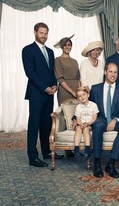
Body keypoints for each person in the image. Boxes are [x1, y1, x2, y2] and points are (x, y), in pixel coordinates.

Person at [22, 22, 61, 167]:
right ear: (35, 32)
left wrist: (54, 85)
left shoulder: (50, 52)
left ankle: (47, 152)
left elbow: (52, 72)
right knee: (34, 125)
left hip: (49, 93)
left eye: (46, 33)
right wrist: (44, 88)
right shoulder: (27, 50)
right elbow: (30, 72)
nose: (44, 36)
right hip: (36, 94)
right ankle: (33, 157)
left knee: (47, 124)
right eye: (41, 33)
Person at [89, 62, 119, 178]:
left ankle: (111, 163)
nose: (113, 74)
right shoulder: (95, 89)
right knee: (97, 125)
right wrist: (74, 119)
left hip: (116, 119)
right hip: (101, 118)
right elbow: (88, 106)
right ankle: (97, 163)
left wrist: (115, 120)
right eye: (111, 71)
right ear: (105, 72)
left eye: (115, 72)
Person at [54, 34, 81, 105]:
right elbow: (60, 79)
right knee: (65, 113)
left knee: (77, 113)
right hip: (64, 91)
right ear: (62, 47)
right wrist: (72, 92)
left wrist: (79, 92)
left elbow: (78, 79)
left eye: (69, 45)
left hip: (76, 91)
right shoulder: (58, 60)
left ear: (71, 46)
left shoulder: (75, 61)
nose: (67, 47)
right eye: (65, 45)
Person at [74, 87, 99, 161]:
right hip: (80, 124)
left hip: (89, 124)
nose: (82, 97)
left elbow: (94, 118)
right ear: (78, 98)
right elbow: (78, 119)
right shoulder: (78, 107)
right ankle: (76, 149)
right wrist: (81, 124)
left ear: (88, 95)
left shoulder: (93, 105)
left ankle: (87, 149)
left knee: (86, 129)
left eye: (84, 94)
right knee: (78, 129)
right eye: (79, 96)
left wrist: (87, 124)